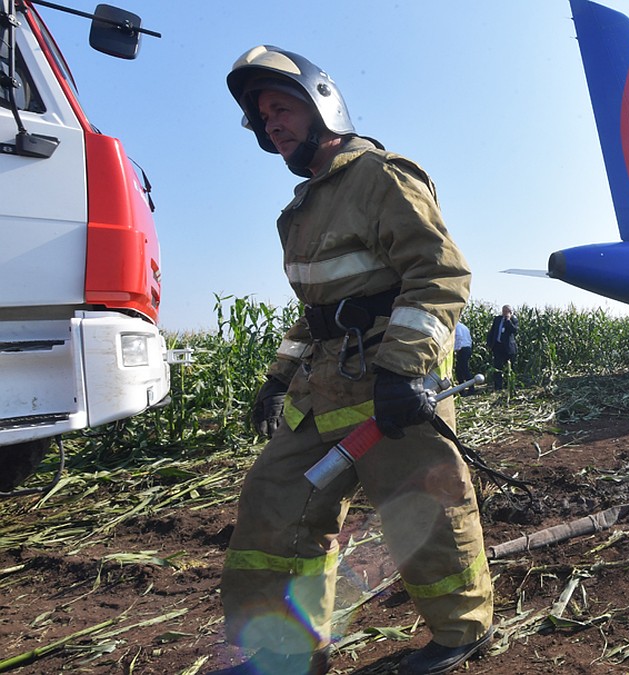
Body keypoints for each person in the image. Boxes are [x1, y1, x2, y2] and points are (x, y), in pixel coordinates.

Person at [217, 46, 493, 675]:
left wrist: (404, 371)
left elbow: (440, 275)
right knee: (274, 507)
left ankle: (462, 630)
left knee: (423, 510)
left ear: (322, 105)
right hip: (319, 394)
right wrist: (276, 380)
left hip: (390, 389)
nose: (271, 125)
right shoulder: (300, 209)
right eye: (262, 117)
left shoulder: (381, 176)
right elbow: (317, 313)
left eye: (281, 108)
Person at [486, 305, 518, 390]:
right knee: (497, 367)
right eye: (503, 311)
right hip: (498, 347)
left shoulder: (513, 320)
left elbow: (514, 330)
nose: (504, 313)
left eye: (506, 311)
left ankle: (509, 385)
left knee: (509, 368)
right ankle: (498, 386)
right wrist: (489, 343)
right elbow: (492, 331)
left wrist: (508, 320)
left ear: (510, 312)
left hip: (508, 348)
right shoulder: (497, 319)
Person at [454, 321, 475, 394]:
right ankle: (465, 389)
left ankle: (467, 389)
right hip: (467, 348)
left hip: (462, 349)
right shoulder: (464, 327)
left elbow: (459, 337)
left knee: (462, 370)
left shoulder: (456, 327)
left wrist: (456, 349)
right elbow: (469, 339)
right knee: (461, 369)